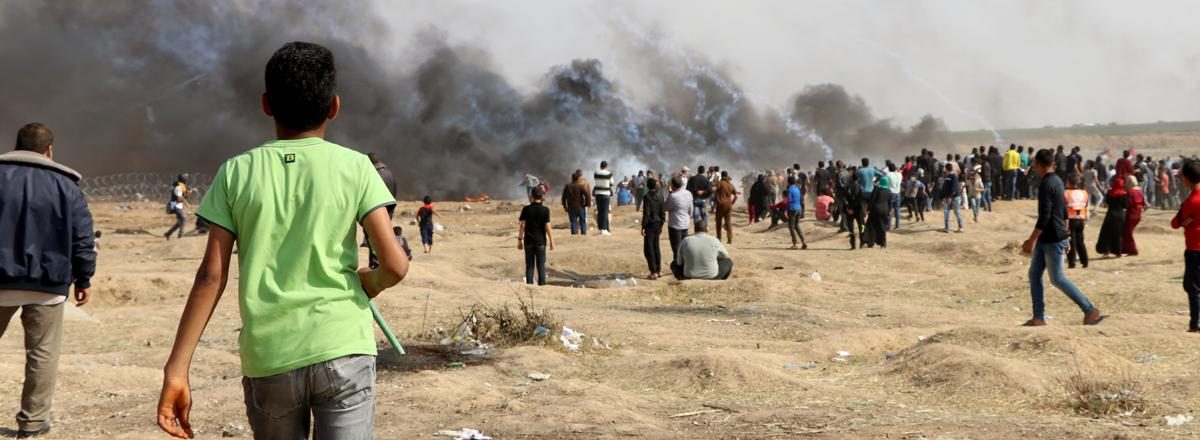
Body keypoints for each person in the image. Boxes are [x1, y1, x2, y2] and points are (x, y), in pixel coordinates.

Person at [157, 42, 409, 440]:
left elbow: (210, 278)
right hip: (342, 346)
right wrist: (369, 282)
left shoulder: (235, 173)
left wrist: (177, 369)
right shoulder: (357, 167)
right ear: (334, 106)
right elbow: (395, 265)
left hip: (270, 358)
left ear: (266, 104)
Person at [0, 122, 96, 438]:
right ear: (49, 150)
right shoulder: (66, 184)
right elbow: (82, 237)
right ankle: (32, 423)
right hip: (48, 284)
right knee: (41, 354)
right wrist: (84, 278)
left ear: (17, 145)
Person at [1022, 149, 1103, 327]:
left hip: (1051, 238)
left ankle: (1089, 310)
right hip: (1050, 236)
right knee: (1034, 275)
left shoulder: (1046, 184)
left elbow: (1045, 215)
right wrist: (1065, 231)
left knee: (1057, 278)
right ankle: (1038, 317)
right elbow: (1063, 209)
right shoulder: (1058, 181)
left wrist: (1031, 240)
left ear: (1039, 165)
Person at [1171, 160, 1200, 332]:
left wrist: (1187, 222)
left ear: (1187, 179)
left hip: (1195, 248)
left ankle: (1195, 323)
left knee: (1193, 287)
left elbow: (1175, 223)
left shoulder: (1191, 201)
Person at [366, 153, 398, 268]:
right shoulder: (390, 174)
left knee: (373, 238)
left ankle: (376, 264)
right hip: (389, 210)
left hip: (377, 210)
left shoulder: (375, 175)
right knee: (385, 236)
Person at [518, 187, 554, 286]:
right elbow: (547, 226)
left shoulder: (526, 209)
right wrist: (552, 241)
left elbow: (522, 225)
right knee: (541, 265)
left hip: (528, 241)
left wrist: (520, 239)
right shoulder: (545, 210)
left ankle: (529, 285)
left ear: (531, 196)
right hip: (540, 241)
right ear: (542, 196)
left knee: (529, 265)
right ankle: (542, 284)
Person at [1095, 176, 1129, 258]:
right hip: (1120, 215)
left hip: (1110, 214)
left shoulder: (1109, 193)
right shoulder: (1124, 194)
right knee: (1118, 234)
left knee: (1107, 233)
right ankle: (1118, 252)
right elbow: (1125, 206)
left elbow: (1106, 204)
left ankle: (1106, 251)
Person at [641, 178, 666, 280]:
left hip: (650, 225)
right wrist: (662, 224)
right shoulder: (660, 196)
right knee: (656, 247)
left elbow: (646, 213)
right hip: (658, 224)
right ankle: (659, 270)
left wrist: (643, 226)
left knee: (649, 248)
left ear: (647, 186)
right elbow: (662, 211)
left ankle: (653, 271)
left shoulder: (647, 197)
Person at [664, 177, 693, 267]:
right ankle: (685, 266)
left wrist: (669, 194)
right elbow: (690, 209)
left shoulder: (673, 196)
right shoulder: (688, 193)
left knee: (676, 249)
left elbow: (665, 208)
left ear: (672, 185)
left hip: (675, 225)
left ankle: (678, 268)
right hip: (685, 223)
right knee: (684, 247)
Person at [1065, 177, 1090, 269]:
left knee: (1071, 242)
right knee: (1080, 241)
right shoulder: (1084, 193)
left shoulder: (1066, 193)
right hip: (1081, 219)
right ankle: (1085, 261)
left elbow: (1064, 205)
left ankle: (1072, 262)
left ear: (1069, 183)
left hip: (1071, 219)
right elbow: (1086, 205)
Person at [864, 174, 891, 248]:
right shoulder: (889, 191)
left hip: (876, 209)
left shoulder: (877, 189)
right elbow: (890, 202)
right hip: (885, 210)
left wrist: (868, 209)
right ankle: (883, 243)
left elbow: (872, 200)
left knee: (871, 225)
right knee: (882, 226)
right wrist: (889, 211)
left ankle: (871, 242)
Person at [1123, 175, 1146, 256]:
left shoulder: (1130, 192)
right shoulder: (1140, 191)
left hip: (1131, 213)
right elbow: (1144, 203)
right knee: (1128, 232)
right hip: (1138, 214)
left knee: (1128, 233)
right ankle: (1125, 249)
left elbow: (1127, 204)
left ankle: (1133, 250)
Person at [713, 171, 738, 244]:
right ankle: (730, 239)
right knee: (728, 222)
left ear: (721, 176)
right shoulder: (730, 184)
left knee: (718, 222)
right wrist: (732, 203)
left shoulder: (720, 183)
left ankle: (719, 237)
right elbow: (736, 196)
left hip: (720, 205)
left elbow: (713, 189)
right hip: (728, 205)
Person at [164, 174, 191, 240]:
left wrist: (188, 193)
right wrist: (186, 203)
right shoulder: (178, 187)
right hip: (175, 206)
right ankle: (181, 234)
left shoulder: (181, 187)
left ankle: (168, 233)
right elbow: (179, 199)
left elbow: (183, 197)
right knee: (183, 218)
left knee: (179, 222)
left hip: (178, 206)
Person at [687, 166, 712, 230]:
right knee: (703, 214)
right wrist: (704, 192)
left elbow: (688, 188)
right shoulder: (706, 179)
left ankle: (697, 229)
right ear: (703, 171)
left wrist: (695, 192)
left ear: (698, 170)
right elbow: (710, 190)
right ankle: (705, 227)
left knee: (696, 215)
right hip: (703, 199)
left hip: (695, 199)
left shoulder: (692, 179)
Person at [785, 176, 807, 250]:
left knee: (791, 227)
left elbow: (789, 201)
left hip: (792, 209)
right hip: (799, 208)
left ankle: (794, 244)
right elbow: (801, 198)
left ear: (788, 182)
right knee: (797, 225)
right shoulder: (797, 188)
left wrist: (785, 211)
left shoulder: (790, 190)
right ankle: (803, 242)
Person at [593, 161, 614, 236]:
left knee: (600, 211)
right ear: (606, 166)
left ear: (600, 166)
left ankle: (600, 228)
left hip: (598, 194)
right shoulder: (609, 173)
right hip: (606, 194)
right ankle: (604, 229)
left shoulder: (596, 173)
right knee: (605, 212)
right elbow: (611, 183)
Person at [941, 164, 964, 233]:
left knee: (956, 212)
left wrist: (949, 197)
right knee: (946, 212)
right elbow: (945, 188)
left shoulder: (953, 176)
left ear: (946, 169)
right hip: (949, 197)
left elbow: (953, 188)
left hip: (954, 197)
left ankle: (961, 227)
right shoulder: (948, 176)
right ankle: (947, 228)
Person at [886, 163, 903, 230]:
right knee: (897, 210)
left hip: (891, 193)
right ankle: (897, 225)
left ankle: (888, 226)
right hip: (898, 193)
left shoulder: (888, 174)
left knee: (889, 210)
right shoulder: (900, 174)